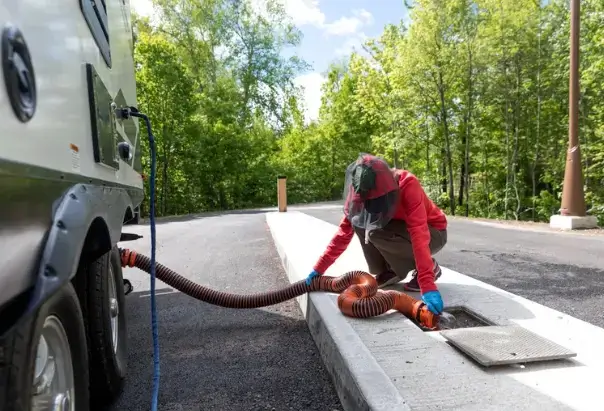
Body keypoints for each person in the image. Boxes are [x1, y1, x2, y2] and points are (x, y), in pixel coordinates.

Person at [305, 153, 448, 315]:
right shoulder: (359, 191)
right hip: (402, 230)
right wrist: (319, 268)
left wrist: (427, 284)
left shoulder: (407, 184)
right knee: (359, 221)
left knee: (374, 232)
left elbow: (419, 233)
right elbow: (344, 233)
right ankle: (390, 270)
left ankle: (430, 266)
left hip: (434, 232)